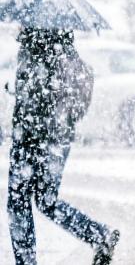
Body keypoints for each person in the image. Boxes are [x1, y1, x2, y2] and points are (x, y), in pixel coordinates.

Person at [7, 27, 120, 265]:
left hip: (33, 136)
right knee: (46, 201)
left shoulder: (36, 47)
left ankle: (26, 262)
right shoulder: (65, 50)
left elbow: (39, 96)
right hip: (57, 139)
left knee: (18, 201)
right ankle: (99, 235)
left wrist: (23, 93)